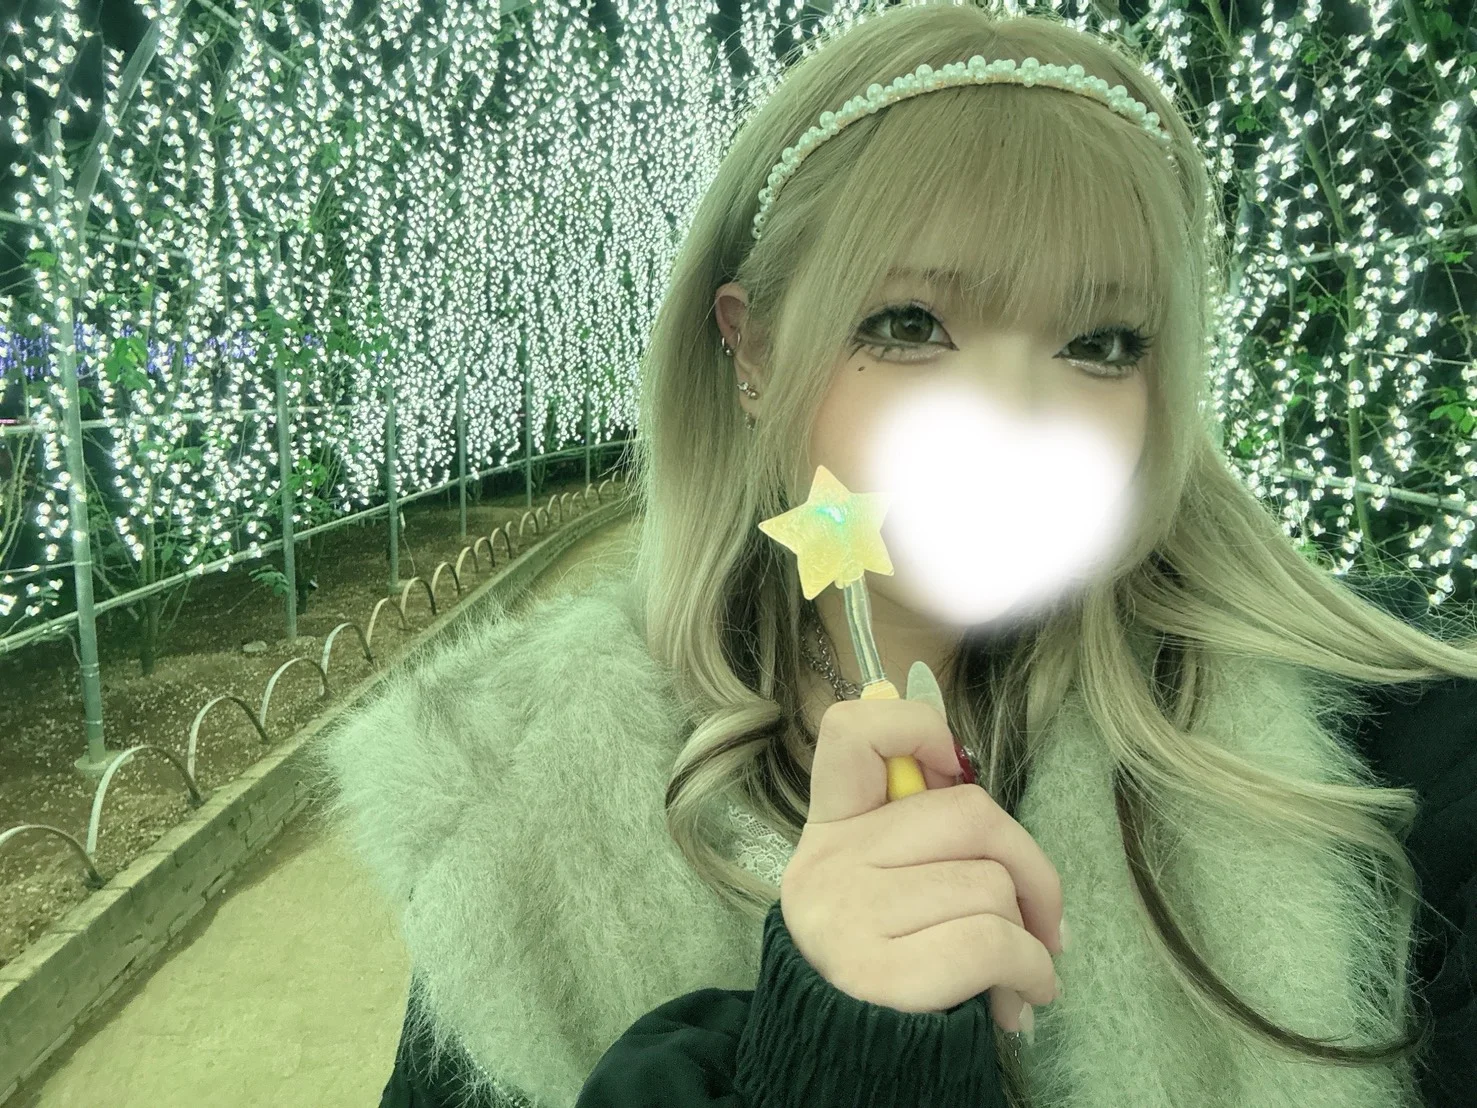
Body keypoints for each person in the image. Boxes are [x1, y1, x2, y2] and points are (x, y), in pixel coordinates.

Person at [306, 4, 1477, 1107]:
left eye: (1101, 341)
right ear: (752, 349)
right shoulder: (510, 798)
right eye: (910, 324)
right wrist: (835, 1043)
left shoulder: (1384, 756)